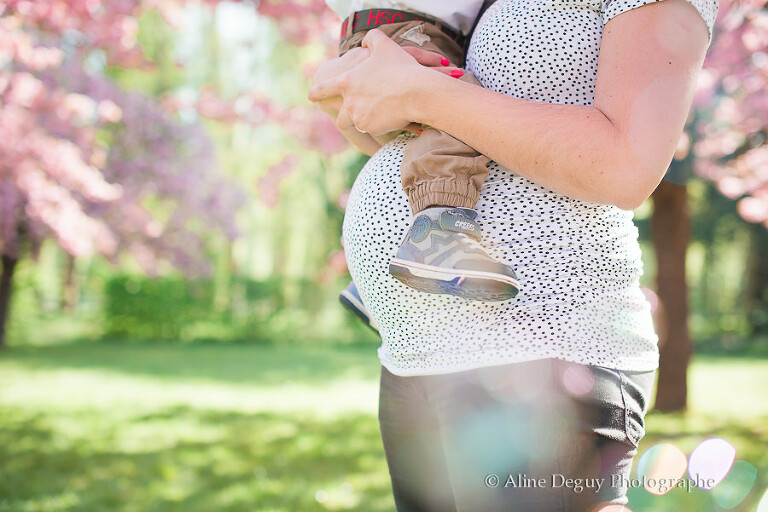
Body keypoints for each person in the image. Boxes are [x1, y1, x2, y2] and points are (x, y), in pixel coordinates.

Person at [310, 0, 717, 509]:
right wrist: (364, 97)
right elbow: (471, 133)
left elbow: (624, 166)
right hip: (415, 355)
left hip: (542, 353)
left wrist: (418, 90)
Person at [328, 1, 521, 302]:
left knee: (420, 137)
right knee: (455, 104)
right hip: (409, 31)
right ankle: (437, 236)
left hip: (403, 30)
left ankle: (380, 281)